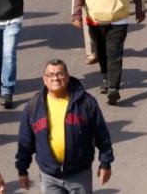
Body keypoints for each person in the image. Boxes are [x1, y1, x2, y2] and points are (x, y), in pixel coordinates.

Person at [14, 59, 114, 194]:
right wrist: (22, 170)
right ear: (44, 79)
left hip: (79, 174)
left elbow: (102, 135)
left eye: (60, 74)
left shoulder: (86, 102)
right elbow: (25, 142)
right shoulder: (33, 107)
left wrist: (105, 163)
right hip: (49, 176)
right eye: (50, 75)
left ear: (67, 77)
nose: (55, 78)